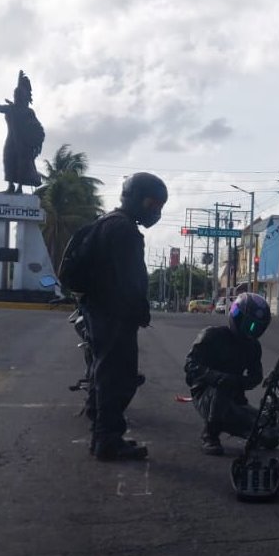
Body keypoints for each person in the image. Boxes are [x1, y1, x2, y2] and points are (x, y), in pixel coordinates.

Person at [85, 171, 167, 461]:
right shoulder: (123, 231)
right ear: (135, 198)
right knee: (117, 378)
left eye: (159, 206)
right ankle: (107, 439)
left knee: (105, 372)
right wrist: (139, 310)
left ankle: (102, 432)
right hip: (115, 317)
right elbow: (129, 281)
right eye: (152, 204)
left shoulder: (107, 223)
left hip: (101, 313)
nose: (155, 211)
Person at [184, 293, 273, 456]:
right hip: (205, 393)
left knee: (270, 436)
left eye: (257, 328)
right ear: (237, 317)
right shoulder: (211, 335)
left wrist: (241, 382)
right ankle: (210, 434)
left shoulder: (253, 347)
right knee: (223, 385)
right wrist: (217, 377)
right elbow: (190, 365)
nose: (252, 331)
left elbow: (255, 376)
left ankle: (240, 427)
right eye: (250, 325)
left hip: (234, 398)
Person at [0, 70, 45, 193]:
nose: (16, 97)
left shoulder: (28, 112)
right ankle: (10, 186)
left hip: (23, 143)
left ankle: (19, 188)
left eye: (19, 95)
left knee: (21, 164)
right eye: (15, 95)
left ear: (23, 97)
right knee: (8, 160)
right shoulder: (9, 109)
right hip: (10, 141)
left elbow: (36, 128)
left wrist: (32, 140)